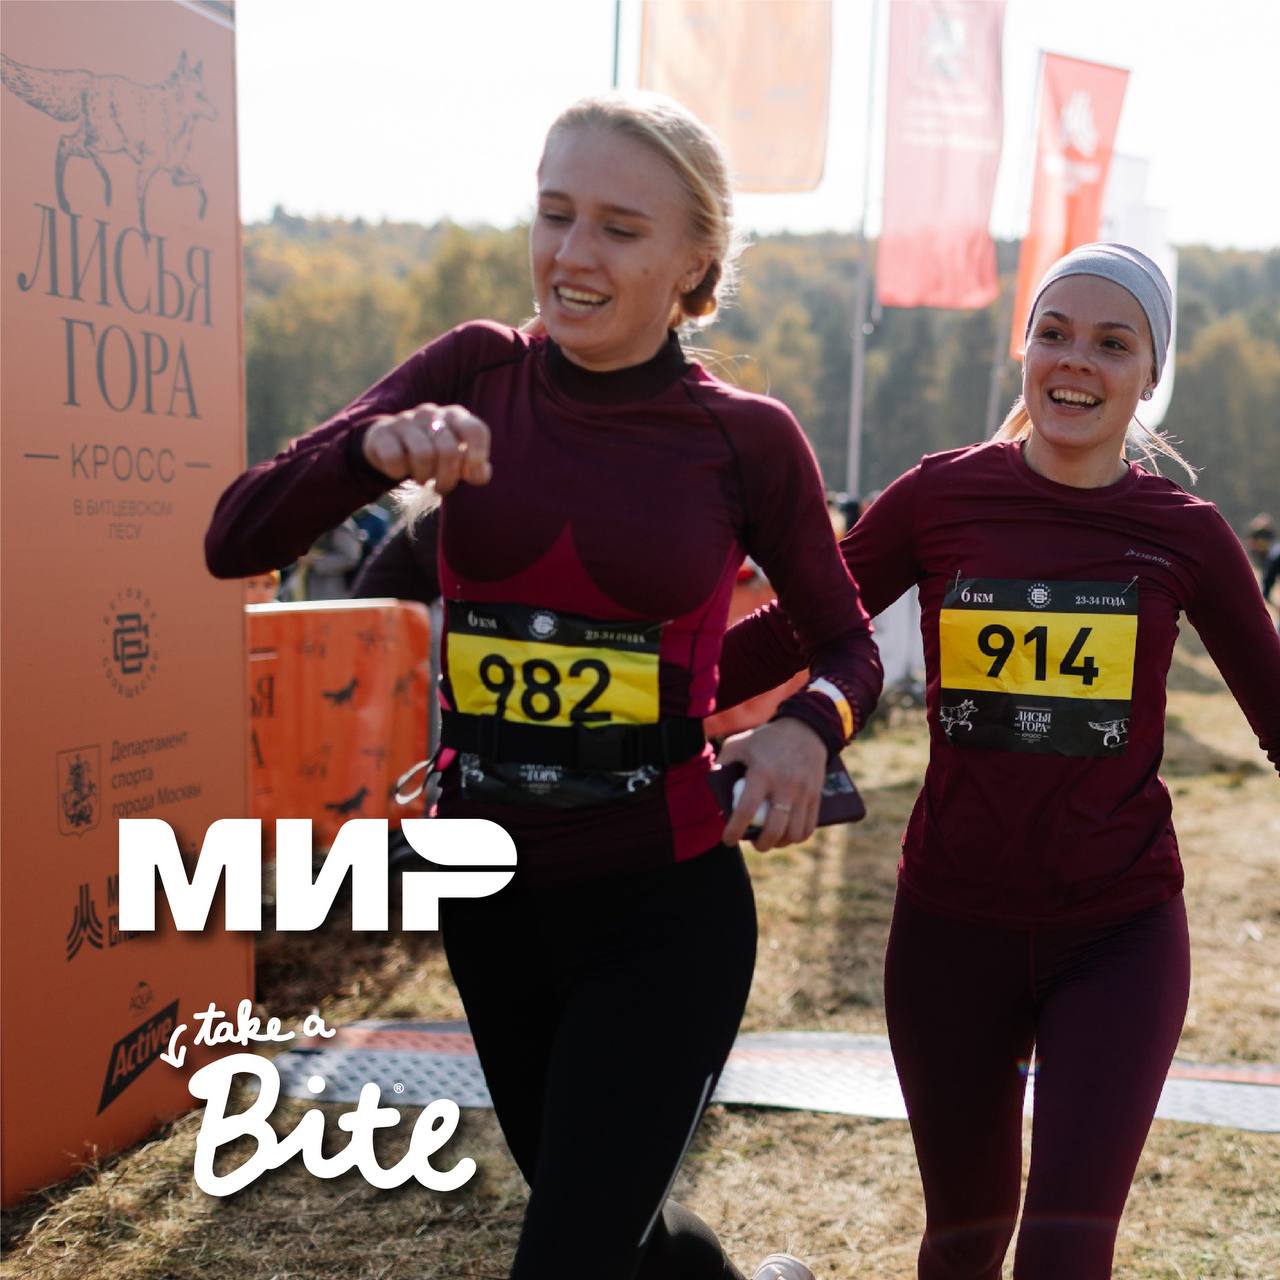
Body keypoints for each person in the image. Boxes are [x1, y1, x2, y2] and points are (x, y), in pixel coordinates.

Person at [206, 92, 882, 1280]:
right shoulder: (474, 369)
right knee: (611, 1226)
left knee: (570, 1250)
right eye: (554, 213)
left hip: (662, 902)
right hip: (491, 901)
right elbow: (235, 536)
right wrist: (366, 450)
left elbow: (848, 646)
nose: (572, 253)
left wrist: (805, 728)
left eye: (619, 228)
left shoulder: (745, 439)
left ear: (693, 262)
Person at [717, 243, 1280, 1279]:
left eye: (1112, 343)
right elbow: (798, 627)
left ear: (1149, 373)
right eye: (1053, 333)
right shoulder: (941, 497)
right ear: (1024, 348)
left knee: (1064, 1253)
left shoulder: (1187, 535)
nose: (1076, 361)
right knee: (963, 1241)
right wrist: (646, 700)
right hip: (949, 931)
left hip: (1116, 935)